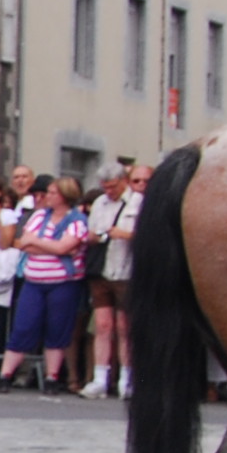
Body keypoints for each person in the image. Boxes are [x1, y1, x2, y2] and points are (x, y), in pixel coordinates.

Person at [0, 176, 90, 396]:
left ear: (64, 196)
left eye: (51, 193)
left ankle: (52, 377)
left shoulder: (77, 220)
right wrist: (53, 247)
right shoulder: (39, 216)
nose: (46, 196)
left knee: (57, 329)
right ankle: (5, 375)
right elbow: (25, 243)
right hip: (34, 280)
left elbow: (64, 246)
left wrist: (44, 245)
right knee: (23, 326)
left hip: (63, 282)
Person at [81, 162, 139, 398]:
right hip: (102, 269)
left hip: (126, 269)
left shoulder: (138, 202)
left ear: (123, 181)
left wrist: (125, 234)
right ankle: (99, 378)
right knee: (103, 325)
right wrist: (95, 236)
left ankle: (127, 378)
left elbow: (146, 234)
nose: (109, 191)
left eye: (113, 187)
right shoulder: (99, 203)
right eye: (105, 187)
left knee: (125, 326)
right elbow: (92, 232)